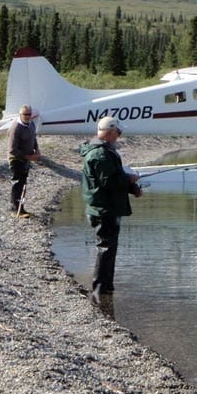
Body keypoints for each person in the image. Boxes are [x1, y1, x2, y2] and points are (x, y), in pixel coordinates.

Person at [80, 116, 143, 302]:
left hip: (107, 207)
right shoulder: (100, 154)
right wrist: (130, 180)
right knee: (106, 248)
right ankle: (99, 290)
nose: (119, 135)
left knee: (110, 247)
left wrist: (133, 189)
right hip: (103, 209)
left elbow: (114, 177)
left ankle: (107, 288)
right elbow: (110, 181)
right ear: (109, 132)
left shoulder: (105, 150)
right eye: (118, 132)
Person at [7, 104, 40, 217]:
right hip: (16, 160)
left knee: (24, 184)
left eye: (29, 114)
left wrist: (37, 150)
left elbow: (33, 138)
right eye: (25, 114)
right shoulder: (15, 128)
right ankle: (15, 209)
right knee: (17, 183)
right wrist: (28, 157)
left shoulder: (31, 124)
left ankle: (22, 208)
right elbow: (12, 150)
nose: (27, 116)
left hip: (26, 159)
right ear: (20, 114)